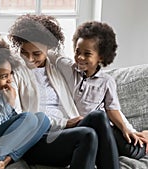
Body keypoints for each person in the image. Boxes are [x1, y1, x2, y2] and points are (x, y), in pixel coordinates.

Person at [8, 14, 120, 169]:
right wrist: (64, 123)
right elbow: (20, 119)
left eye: (37, 53)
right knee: (87, 135)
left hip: (67, 132)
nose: (29, 59)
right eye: (24, 52)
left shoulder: (56, 66)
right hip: (37, 139)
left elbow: (80, 63)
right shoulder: (14, 72)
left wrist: (129, 129)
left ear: (48, 49)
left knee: (98, 116)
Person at [51, 21, 148, 158]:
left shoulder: (106, 81)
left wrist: (126, 129)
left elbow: (112, 110)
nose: (80, 57)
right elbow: (51, 53)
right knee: (96, 129)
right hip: (83, 127)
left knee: (132, 148)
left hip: (104, 128)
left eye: (87, 54)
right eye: (77, 51)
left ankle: (144, 135)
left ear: (100, 57)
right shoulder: (68, 69)